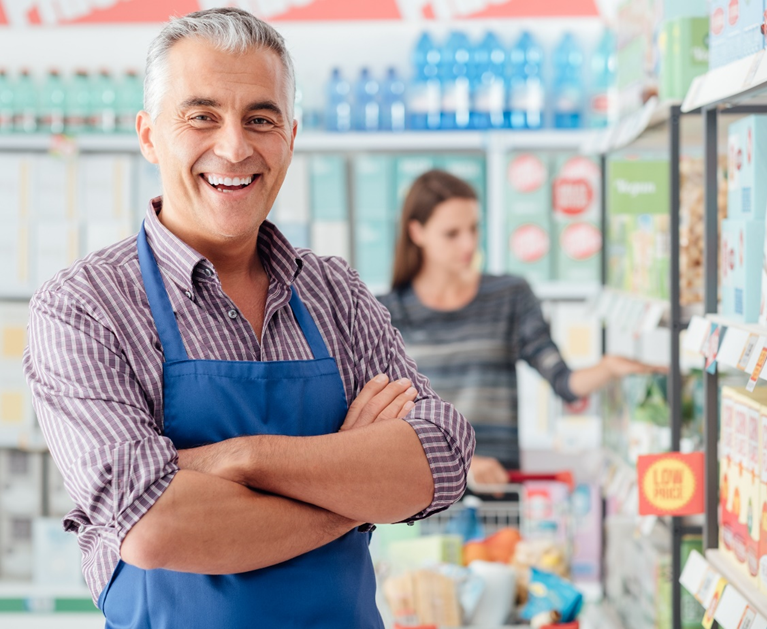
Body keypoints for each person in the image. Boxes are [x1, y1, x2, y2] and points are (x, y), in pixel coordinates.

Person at [22, 10, 474, 629]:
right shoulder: (84, 307)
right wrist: (352, 486)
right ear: (150, 135)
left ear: (289, 138)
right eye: (202, 115)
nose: (234, 147)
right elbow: (154, 524)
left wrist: (242, 460)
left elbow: (441, 460)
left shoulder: (333, 292)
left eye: (259, 119)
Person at [378, 169, 659, 486]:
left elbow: (563, 381)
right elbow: (385, 422)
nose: (468, 243)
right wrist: (462, 464)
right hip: (420, 492)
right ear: (417, 232)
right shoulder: (386, 312)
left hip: (499, 492)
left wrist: (610, 367)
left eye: (474, 228)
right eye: (452, 234)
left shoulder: (510, 296)